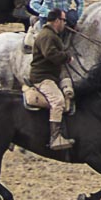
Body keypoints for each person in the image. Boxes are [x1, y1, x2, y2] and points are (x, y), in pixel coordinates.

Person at [29, 8, 75, 150]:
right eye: (64, 20)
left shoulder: (50, 34)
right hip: (43, 78)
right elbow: (50, 54)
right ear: (57, 21)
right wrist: (67, 57)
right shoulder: (47, 36)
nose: (65, 23)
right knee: (58, 101)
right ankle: (55, 138)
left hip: (50, 76)